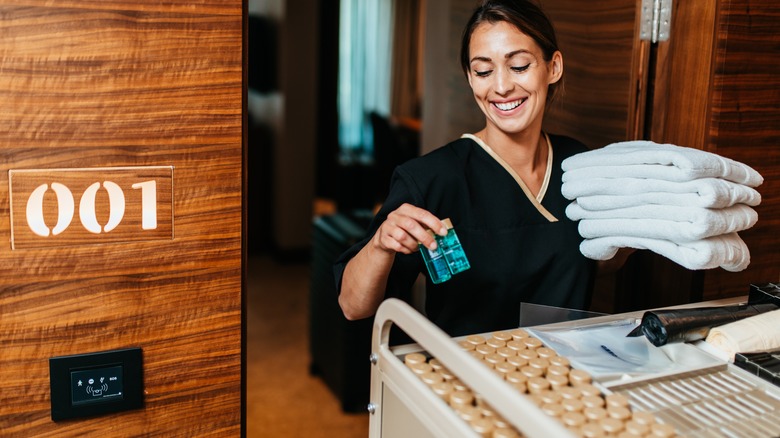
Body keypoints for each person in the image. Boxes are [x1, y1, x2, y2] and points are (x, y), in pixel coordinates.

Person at [334, 0, 631, 338]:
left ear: (553, 67)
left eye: (519, 65)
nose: (501, 87)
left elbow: (592, 263)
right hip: (466, 378)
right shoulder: (432, 180)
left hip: (563, 378)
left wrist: (635, 232)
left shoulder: (581, 167)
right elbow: (353, 306)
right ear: (470, 78)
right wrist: (380, 246)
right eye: (484, 71)